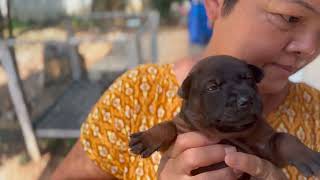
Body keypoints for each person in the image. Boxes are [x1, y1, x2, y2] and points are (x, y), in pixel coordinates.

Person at [52, 0, 320, 179]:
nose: (310, 47)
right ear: (215, 4)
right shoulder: (137, 95)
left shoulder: (315, 113)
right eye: (290, 17)